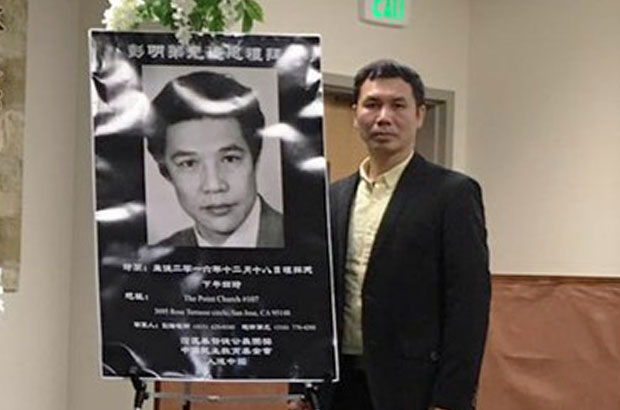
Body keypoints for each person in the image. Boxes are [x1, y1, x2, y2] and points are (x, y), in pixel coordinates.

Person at [323, 60, 490, 410]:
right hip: (338, 386)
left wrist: (452, 399)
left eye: (398, 105)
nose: (383, 117)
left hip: (415, 388)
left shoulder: (452, 193)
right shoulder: (333, 198)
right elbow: (315, 298)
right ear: (355, 114)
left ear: (419, 115)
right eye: (371, 104)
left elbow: (469, 304)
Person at [147, 71, 284, 248]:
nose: (214, 185)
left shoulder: (306, 246)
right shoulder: (155, 258)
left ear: (254, 157)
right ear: (167, 173)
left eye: (229, 159)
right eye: (189, 163)